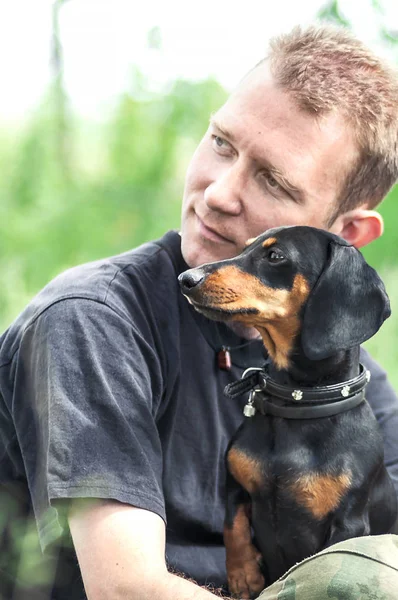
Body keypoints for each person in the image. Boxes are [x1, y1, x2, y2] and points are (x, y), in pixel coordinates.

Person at [1, 23, 398, 600]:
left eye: (273, 181)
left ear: (346, 234)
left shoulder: (345, 383)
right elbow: (126, 590)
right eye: (221, 143)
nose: (217, 192)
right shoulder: (93, 322)